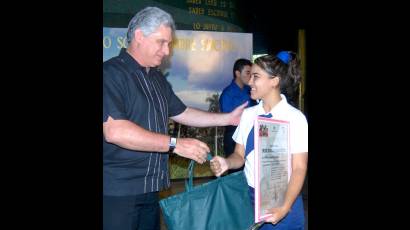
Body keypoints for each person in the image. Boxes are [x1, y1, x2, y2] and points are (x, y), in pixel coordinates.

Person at [103, 6, 247, 230]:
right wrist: (175, 144)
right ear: (139, 36)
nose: (167, 51)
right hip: (118, 192)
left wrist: (227, 118)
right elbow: (115, 131)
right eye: (162, 42)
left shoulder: (157, 79)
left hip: (152, 190)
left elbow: (182, 112)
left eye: (168, 44)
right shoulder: (110, 74)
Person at [210, 51, 308, 229]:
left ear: (274, 81)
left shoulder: (296, 118)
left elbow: (299, 168)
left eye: (256, 77)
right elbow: (239, 155)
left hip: (284, 200)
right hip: (249, 199)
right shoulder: (248, 115)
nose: (250, 82)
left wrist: (284, 207)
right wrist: (227, 163)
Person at [219, 58, 256, 174]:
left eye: (252, 73)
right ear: (237, 73)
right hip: (233, 136)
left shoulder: (250, 91)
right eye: (248, 73)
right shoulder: (227, 94)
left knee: (250, 171)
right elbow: (228, 119)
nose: (251, 76)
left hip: (250, 135)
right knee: (235, 174)